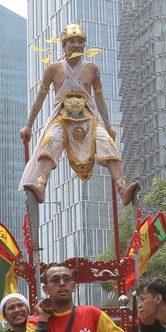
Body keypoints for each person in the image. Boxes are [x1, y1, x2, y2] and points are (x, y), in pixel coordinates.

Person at [19, 23, 139, 205]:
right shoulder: (53, 69)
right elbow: (40, 98)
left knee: (107, 142)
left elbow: (99, 99)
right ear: (64, 45)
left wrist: (107, 125)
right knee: (50, 140)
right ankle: (41, 186)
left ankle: (122, 188)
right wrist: (29, 125)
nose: (76, 45)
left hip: (87, 116)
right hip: (62, 116)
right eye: (72, 41)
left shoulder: (92, 69)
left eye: (80, 41)